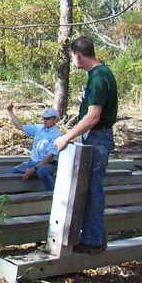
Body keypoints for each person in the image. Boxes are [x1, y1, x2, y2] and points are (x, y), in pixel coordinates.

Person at [54, 36, 117, 254]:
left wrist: (66, 137)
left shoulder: (99, 77)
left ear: (77, 55)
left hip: (97, 138)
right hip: (96, 137)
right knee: (89, 188)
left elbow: (93, 117)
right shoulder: (99, 74)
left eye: (72, 57)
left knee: (92, 189)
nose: (72, 61)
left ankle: (93, 240)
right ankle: (90, 236)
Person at [6, 102, 61, 191]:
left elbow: (49, 157)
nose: (45, 120)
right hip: (33, 162)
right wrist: (10, 111)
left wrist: (33, 169)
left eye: (48, 118)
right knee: (12, 172)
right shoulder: (39, 128)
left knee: (42, 171)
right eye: (44, 118)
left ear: (55, 120)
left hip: (49, 164)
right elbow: (19, 126)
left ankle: (52, 193)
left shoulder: (57, 135)